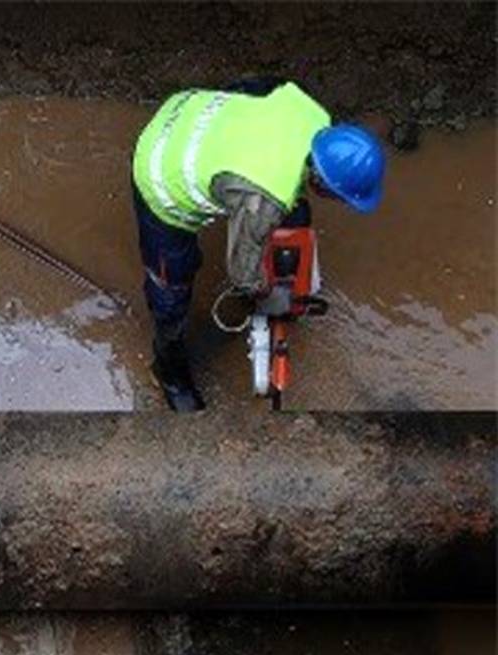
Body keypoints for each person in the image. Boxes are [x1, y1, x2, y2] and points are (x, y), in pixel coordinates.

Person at [130, 79, 386, 411]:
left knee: (291, 213)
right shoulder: (263, 198)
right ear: (322, 181)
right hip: (160, 166)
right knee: (171, 288)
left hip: (188, 110)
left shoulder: (311, 114)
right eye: (340, 196)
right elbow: (241, 272)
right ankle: (169, 372)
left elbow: (256, 87)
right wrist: (267, 292)